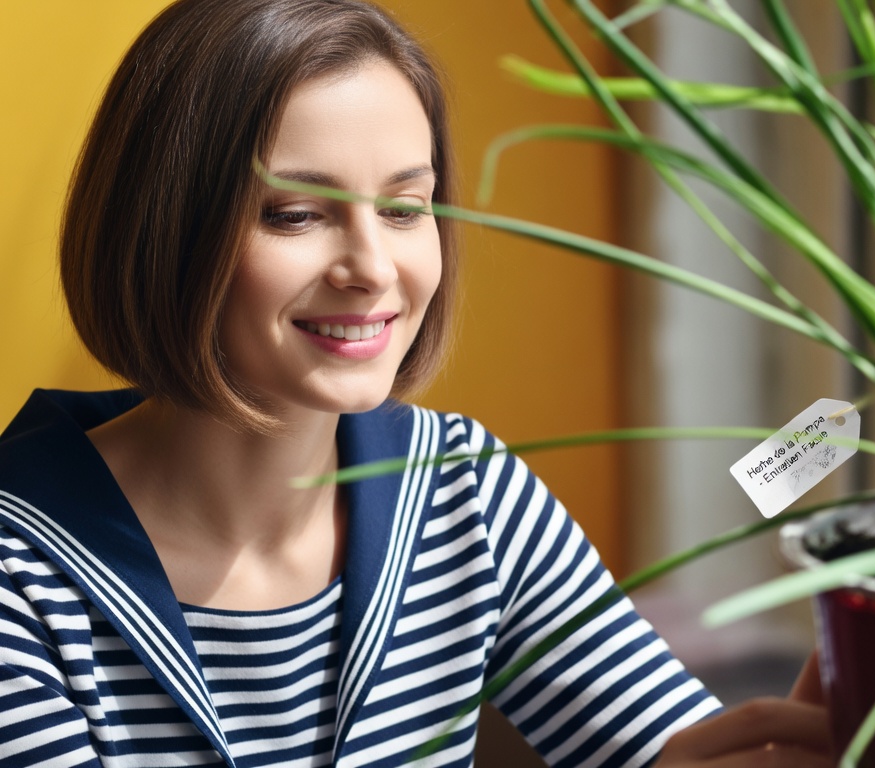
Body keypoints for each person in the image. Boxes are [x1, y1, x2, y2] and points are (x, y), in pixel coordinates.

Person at [0, 0, 831, 766]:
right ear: (161, 232)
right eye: (295, 213)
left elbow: (671, 751)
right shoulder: (21, 570)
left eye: (404, 208)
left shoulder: (464, 491)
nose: (372, 268)